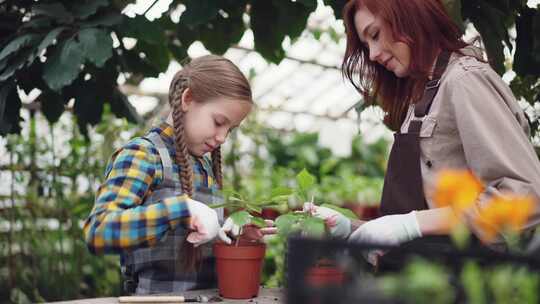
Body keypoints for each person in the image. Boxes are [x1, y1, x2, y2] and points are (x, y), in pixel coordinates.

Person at [337, 0, 540, 265]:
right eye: (366, 45)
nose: (373, 54)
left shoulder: (464, 81)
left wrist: (411, 224)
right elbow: (428, 220)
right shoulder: (423, 96)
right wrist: (351, 229)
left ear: (409, 15)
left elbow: (526, 196)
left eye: (375, 35)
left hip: (473, 282)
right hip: (430, 278)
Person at [83, 55, 274, 294]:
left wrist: (233, 232)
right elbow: (99, 231)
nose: (223, 137)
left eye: (230, 129)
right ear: (188, 99)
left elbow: (196, 238)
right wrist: (180, 210)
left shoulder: (204, 166)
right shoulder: (144, 155)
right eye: (218, 122)